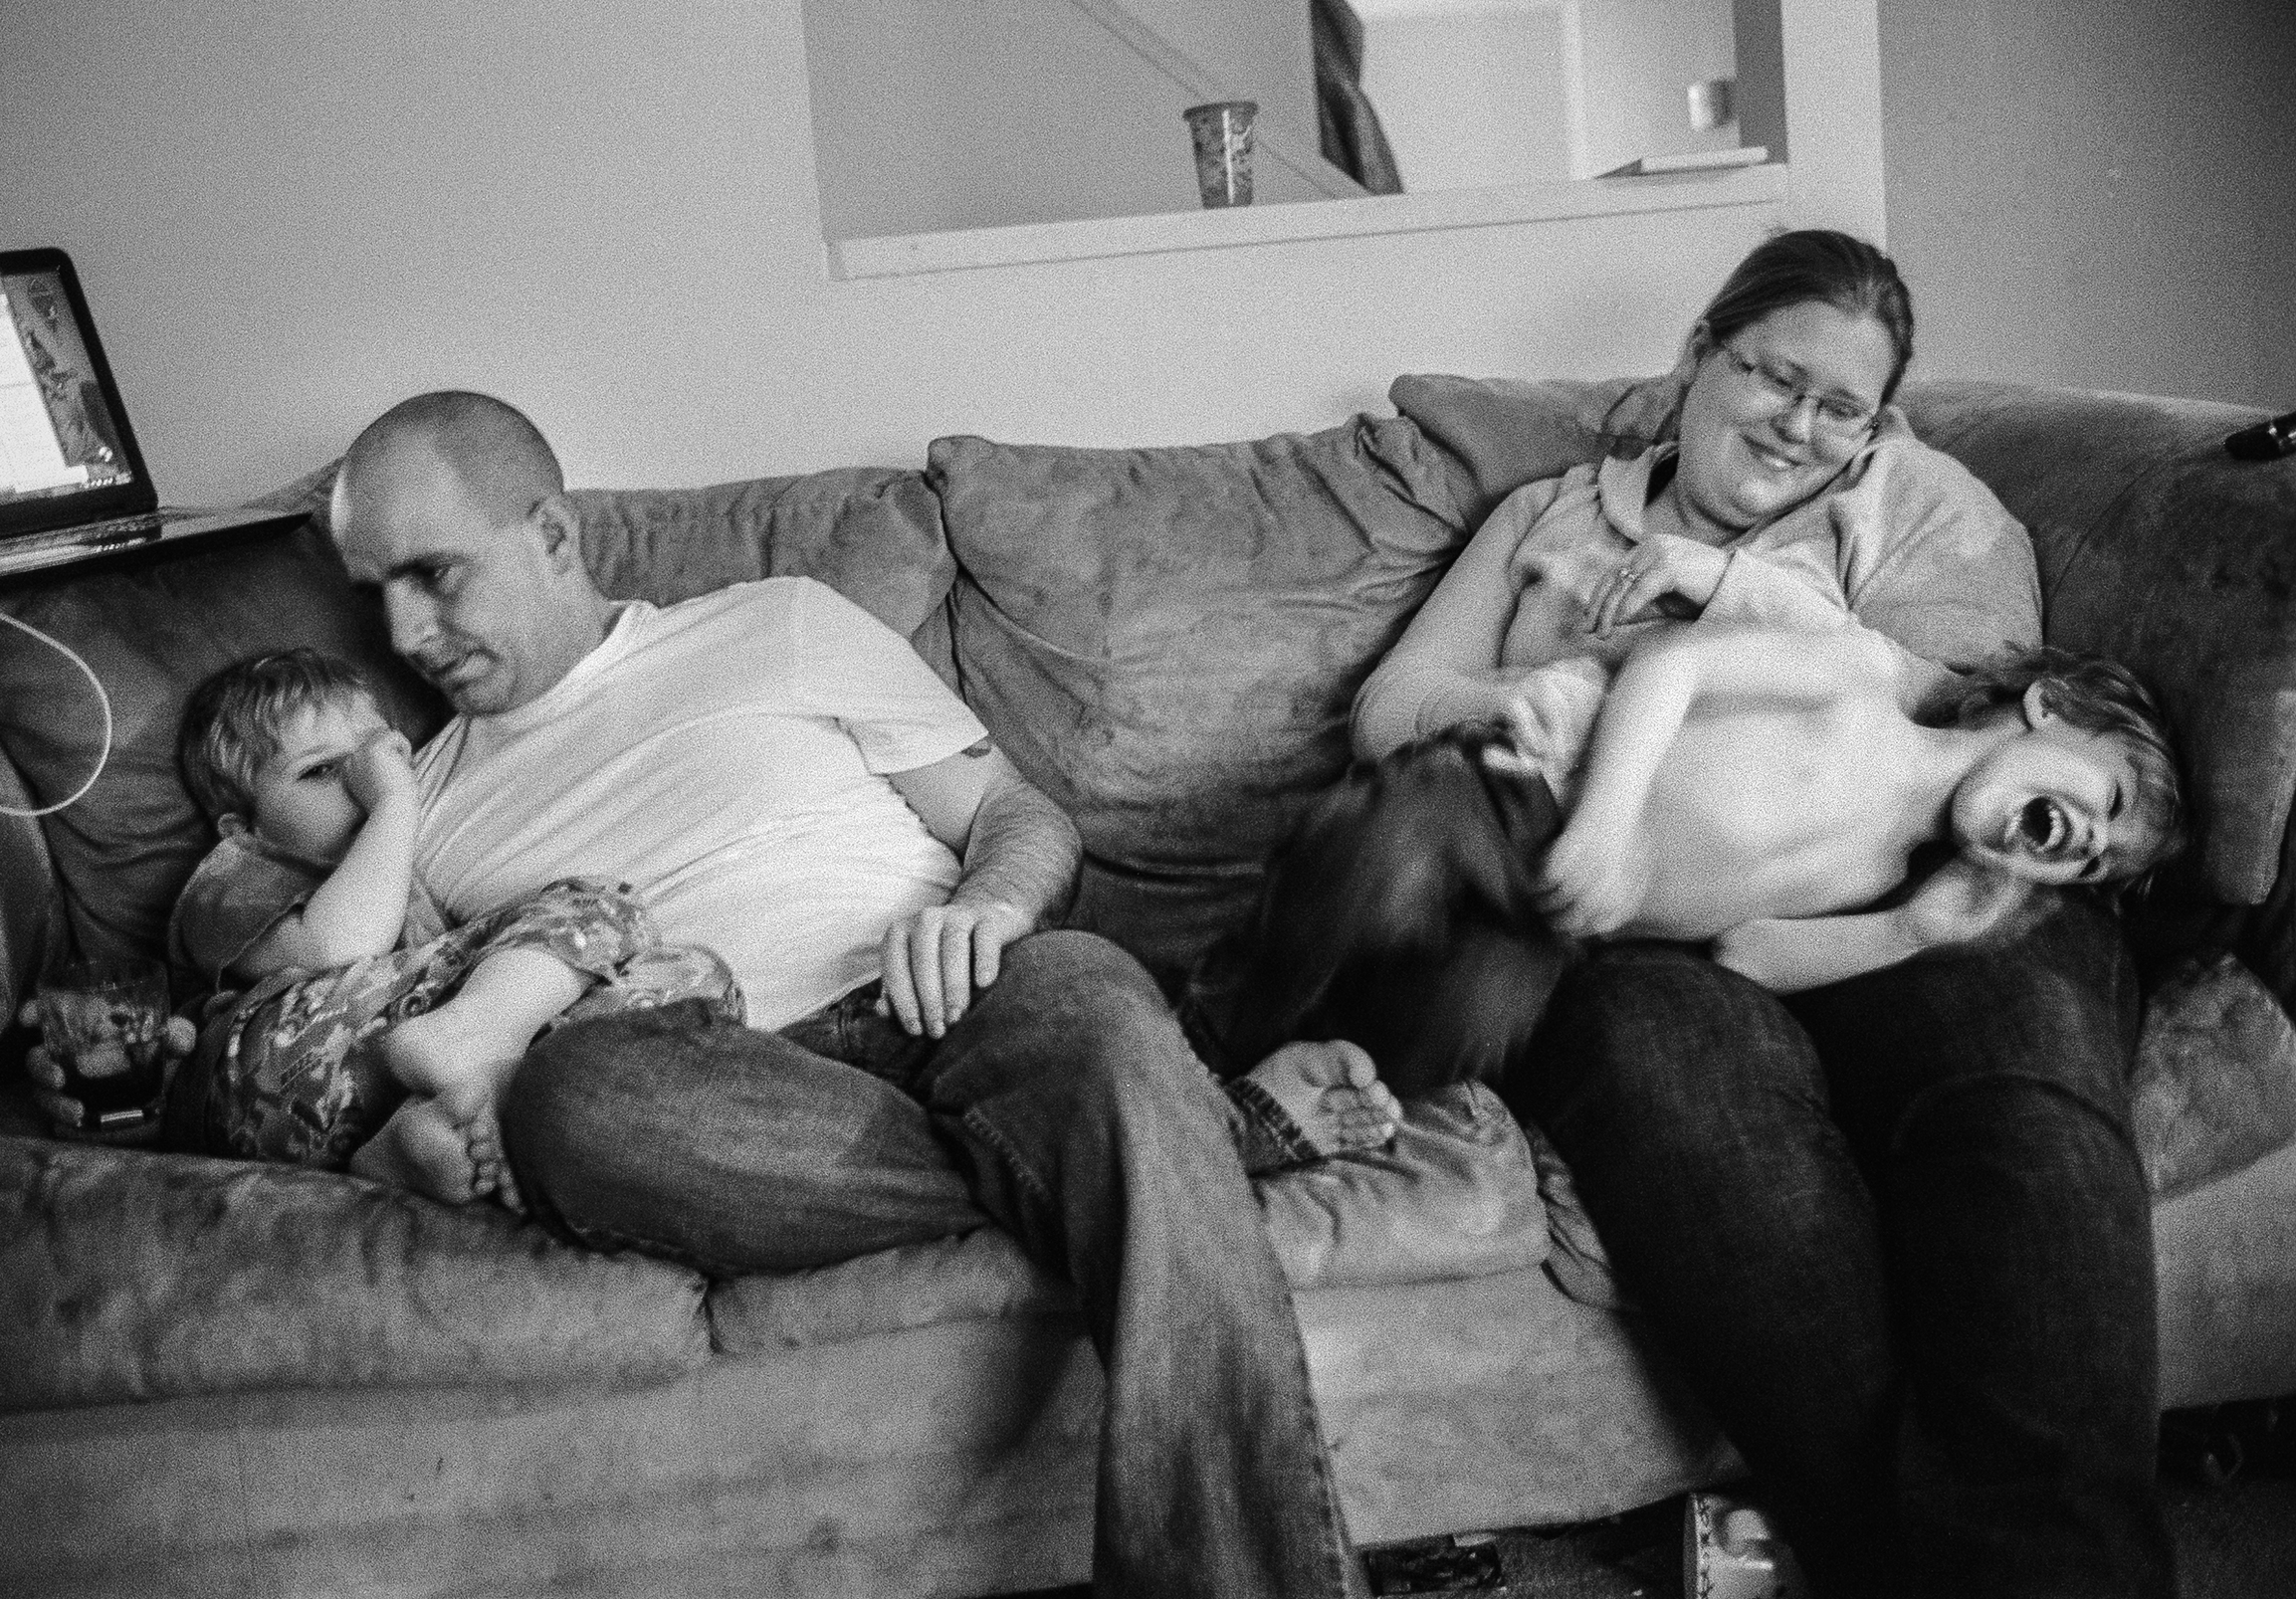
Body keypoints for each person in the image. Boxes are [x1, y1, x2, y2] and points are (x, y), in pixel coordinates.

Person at [318, 388, 1391, 1599]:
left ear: (553, 534)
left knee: (1090, 1002)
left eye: (434, 575)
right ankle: (1182, 1138)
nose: (405, 633)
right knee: (570, 1100)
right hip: (726, 1088)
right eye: (375, 595)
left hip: (963, 991)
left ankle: (1138, 1139)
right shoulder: (427, 806)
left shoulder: (776, 623)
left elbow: (1013, 815)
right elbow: (365, 1035)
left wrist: (990, 908)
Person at [1337, 229, 2182, 1596]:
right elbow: (1390, 707)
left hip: (1923, 891)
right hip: (1644, 921)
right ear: (1694, 361)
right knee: (1693, 1102)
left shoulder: (1919, 503)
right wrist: (1539, 704)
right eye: (1774, 377)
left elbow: (1971, 714)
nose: (1801, 425)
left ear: (1878, 422)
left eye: (1840, 405)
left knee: (2019, 1108)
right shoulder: (1551, 515)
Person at [1219, 629, 2188, 1098]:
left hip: (1554, 927)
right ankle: (1214, 1027)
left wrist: (1909, 929)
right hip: (1524, 795)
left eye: (2092, 867)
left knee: (1465, 1024)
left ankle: (1293, 1085)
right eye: (2103, 800)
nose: (2086, 843)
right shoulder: (1862, 687)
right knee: (1379, 866)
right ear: (2049, 705)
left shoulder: (1883, 874)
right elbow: (1670, 667)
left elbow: (1744, 954)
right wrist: (1602, 818)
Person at [163, 647, 735, 1202]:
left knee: (695, 980)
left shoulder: (403, 881)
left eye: (378, 756)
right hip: (261, 1075)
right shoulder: (236, 872)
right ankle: (468, 1047)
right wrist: (394, 804)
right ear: (242, 826)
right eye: (322, 771)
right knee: (599, 905)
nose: (365, 780)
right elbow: (339, 946)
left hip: (368, 1101)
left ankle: (418, 1136)